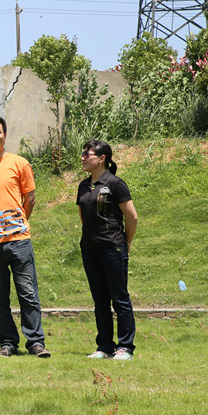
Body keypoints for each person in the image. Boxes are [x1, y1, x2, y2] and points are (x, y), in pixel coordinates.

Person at [0, 115, 50, 358]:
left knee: (28, 293)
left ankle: (35, 342)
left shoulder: (19, 163)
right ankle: (7, 342)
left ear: (4, 135)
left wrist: (19, 222)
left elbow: (30, 198)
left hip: (19, 241)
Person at [78, 139, 138, 361]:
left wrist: (126, 243)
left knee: (119, 298)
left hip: (113, 247)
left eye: (88, 154)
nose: (83, 158)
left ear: (102, 158)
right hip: (89, 249)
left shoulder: (115, 183)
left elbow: (132, 216)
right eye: (82, 154)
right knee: (100, 300)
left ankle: (125, 347)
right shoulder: (83, 186)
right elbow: (84, 217)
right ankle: (104, 346)